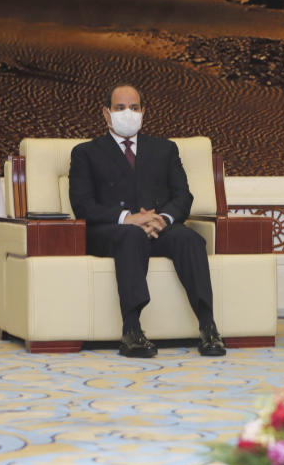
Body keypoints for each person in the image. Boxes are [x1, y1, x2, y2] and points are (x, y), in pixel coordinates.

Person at [68, 84, 227, 358]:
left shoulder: (165, 149)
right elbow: (82, 205)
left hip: (158, 227)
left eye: (134, 107)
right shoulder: (86, 153)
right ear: (106, 114)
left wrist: (163, 218)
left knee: (189, 239)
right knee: (131, 236)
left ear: (144, 112)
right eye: (120, 108)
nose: (127, 113)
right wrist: (127, 219)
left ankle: (208, 326)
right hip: (111, 233)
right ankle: (131, 330)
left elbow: (183, 196)